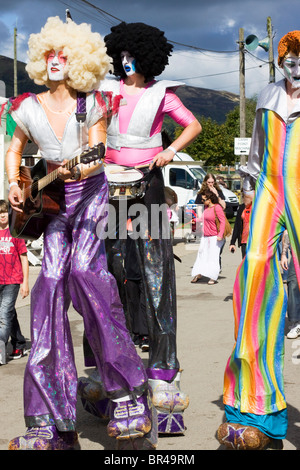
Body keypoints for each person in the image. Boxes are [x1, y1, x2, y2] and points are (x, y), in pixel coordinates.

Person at [5, 16, 153, 451]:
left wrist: (78, 165)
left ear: (79, 62)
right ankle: (50, 421)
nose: (54, 61)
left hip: (89, 196)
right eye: (48, 54)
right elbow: (15, 150)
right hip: (50, 206)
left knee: (88, 277)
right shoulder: (25, 107)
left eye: (63, 55)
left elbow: (97, 152)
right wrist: (15, 183)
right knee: (48, 287)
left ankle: (128, 396)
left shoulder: (94, 103)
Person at [78, 21, 201, 435]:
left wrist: (168, 152)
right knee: (104, 276)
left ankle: (164, 375)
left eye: (133, 56)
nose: (126, 63)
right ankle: (100, 370)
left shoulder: (161, 95)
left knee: (155, 275)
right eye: (122, 56)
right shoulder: (106, 93)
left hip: (147, 186)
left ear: (147, 59)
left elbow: (193, 126)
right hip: (106, 186)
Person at [217, 31, 300, 450]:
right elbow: (255, 156)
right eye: (289, 55)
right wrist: (248, 195)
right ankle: (252, 407)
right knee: (253, 289)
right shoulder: (269, 95)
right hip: (269, 189)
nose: (295, 63)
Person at [0, 200, 29, 365]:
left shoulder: (15, 232)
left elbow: (24, 258)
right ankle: (19, 343)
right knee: (8, 313)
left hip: (12, 280)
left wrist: (25, 283)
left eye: (5, 211)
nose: (2, 215)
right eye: (0, 212)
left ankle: (0, 347)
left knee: (4, 315)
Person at [191, 189, 225, 285]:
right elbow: (203, 218)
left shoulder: (217, 208)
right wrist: (195, 220)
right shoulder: (206, 208)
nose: (202, 202)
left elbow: (222, 222)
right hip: (205, 236)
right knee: (201, 254)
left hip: (215, 237)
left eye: (203, 200)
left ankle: (213, 276)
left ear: (209, 199)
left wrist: (220, 235)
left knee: (213, 257)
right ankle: (199, 273)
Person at [281, 230, 300, 339]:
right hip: (296, 255)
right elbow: (288, 231)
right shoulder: (294, 213)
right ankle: (296, 322)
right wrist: (284, 254)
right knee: (293, 284)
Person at [229, 190, 254, 258]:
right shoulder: (242, 207)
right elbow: (237, 225)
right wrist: (232, 242)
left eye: (246, 197)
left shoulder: (258, 207)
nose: (244, 200)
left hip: (255, 241)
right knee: (245, 263)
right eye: (243, 197)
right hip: (244, 241)